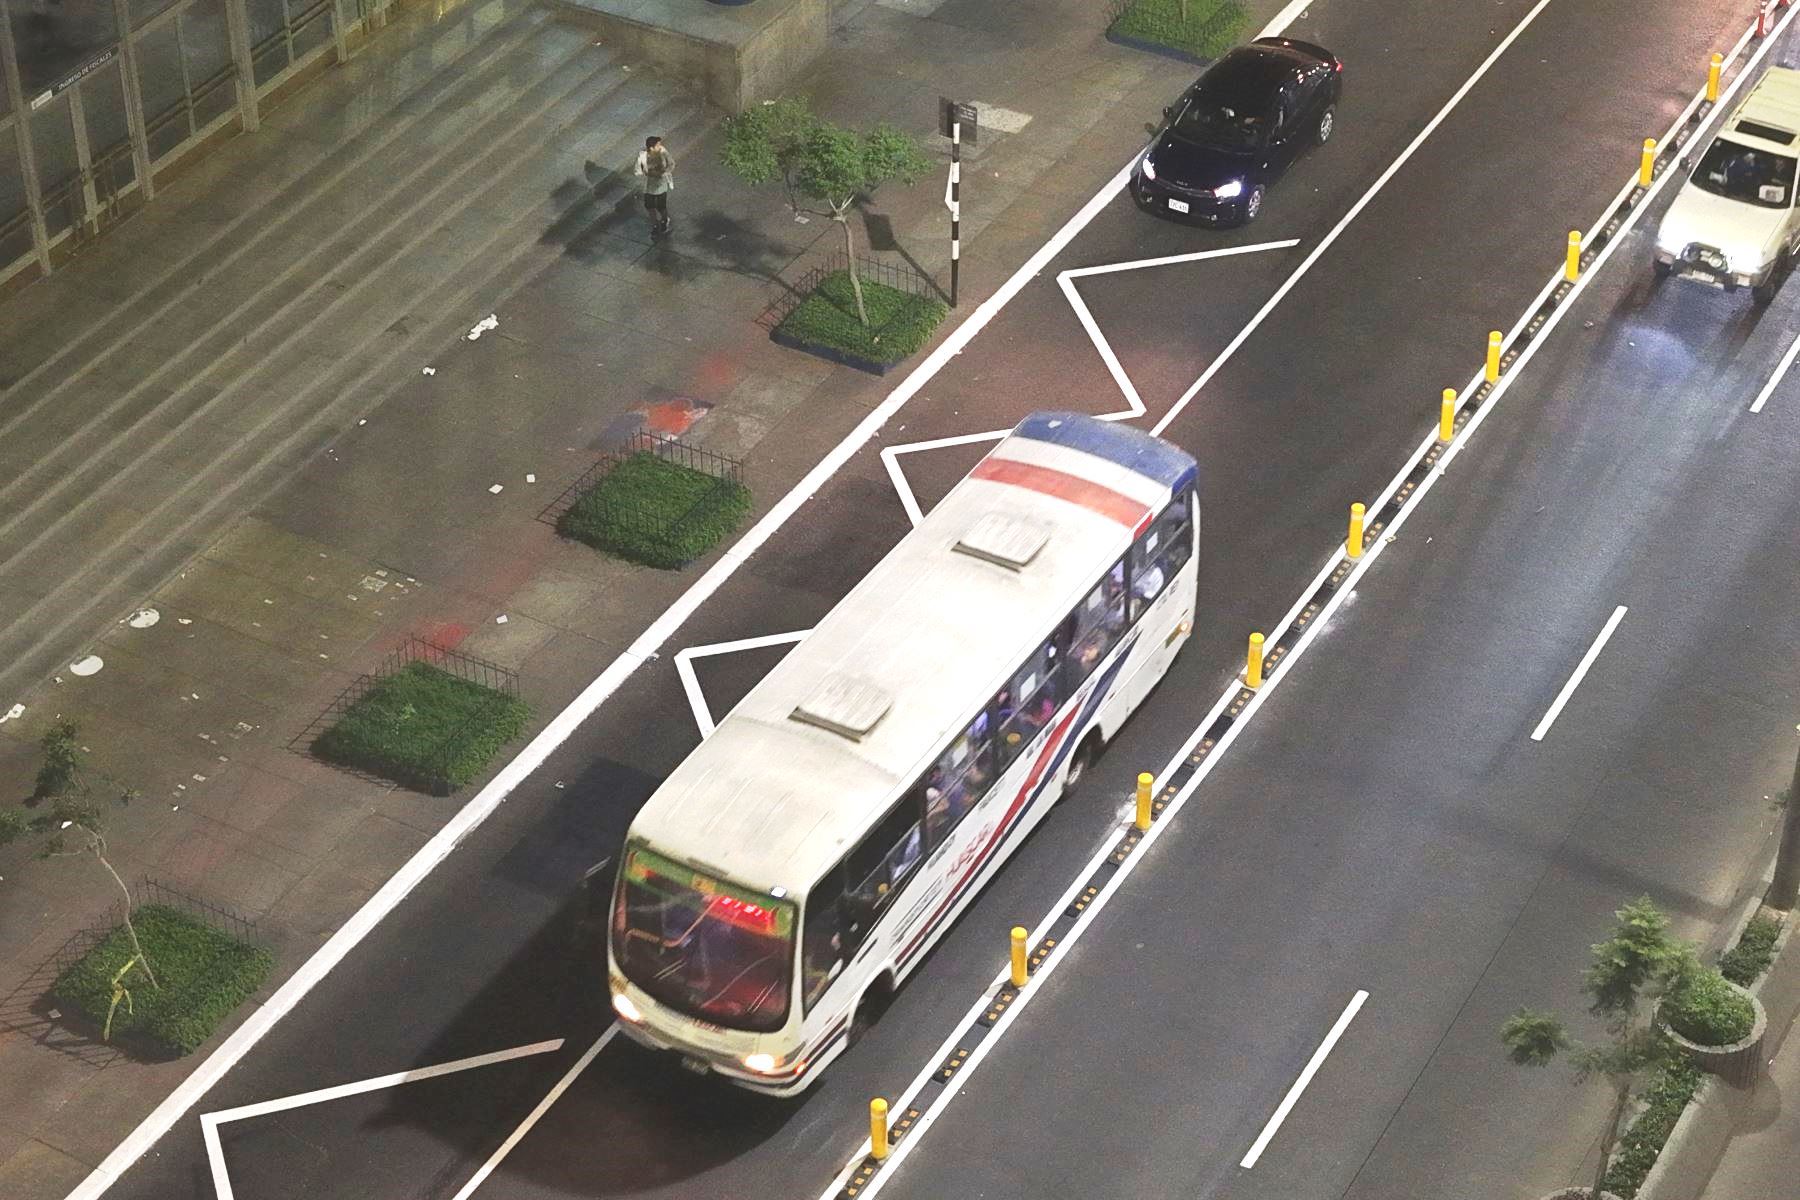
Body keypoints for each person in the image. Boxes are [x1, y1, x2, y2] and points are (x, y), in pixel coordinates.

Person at [635, 135, 674, 237]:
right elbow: (638, 170)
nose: (660, 146)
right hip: (649, 185)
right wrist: (645, 172)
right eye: (658, 145)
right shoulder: (643, 155)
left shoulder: (663, 152)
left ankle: (665, 220)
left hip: (661, 184)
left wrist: (663, 173)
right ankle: (655, 225)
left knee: (661, 206)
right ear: (651, 148)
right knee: (649, 206)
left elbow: (671, 164)